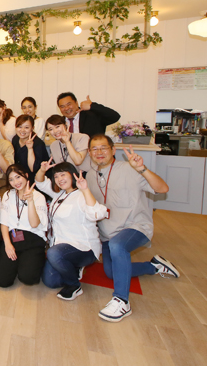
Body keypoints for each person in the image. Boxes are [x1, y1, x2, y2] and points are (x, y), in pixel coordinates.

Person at [86, 134, 179, 322]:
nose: (99, 152)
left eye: (103, 147)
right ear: (89, 153)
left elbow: (163, 189)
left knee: (118, 246)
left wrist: (142, 169)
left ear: (113, 150)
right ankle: (154, 266)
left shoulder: (131, 169)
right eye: (94, 149)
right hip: (108, 234)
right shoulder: (89, 176)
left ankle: (121, 301)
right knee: (111, 273)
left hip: (135, 226)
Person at [35, 160, 106, 300]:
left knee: (53, 253)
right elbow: (39, 182)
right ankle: (74, 267)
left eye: (63, 175)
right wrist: (42, 170)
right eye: (56, 176)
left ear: (72, 174)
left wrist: (85, 189)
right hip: (61, 247)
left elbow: (97, 214)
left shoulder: (81, 195)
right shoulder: (59, 194)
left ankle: (74, 286)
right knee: (50, 281)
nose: (59, 179)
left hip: (83, 247)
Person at [0, 165, 48, 288]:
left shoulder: (38, 196)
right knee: (1, 280)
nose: (15, 182)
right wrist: (7, 244)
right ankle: (17, 263)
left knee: (28, 278)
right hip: (13, 237)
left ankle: (30, 261)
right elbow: (4, 222)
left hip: (33, 239)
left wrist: (30, 201)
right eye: (11, 179)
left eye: (18, 177)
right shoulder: (8, 195)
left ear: (26, 176)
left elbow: (34, 224)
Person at [11, 114, 49, 182]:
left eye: (26, 127)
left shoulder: (38, 143)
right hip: (21, 178)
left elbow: (33, 169)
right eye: (19, 127)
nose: (22, 130)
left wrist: (30, 148)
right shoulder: (15, 139)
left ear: (32, 128)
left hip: (37, 180)